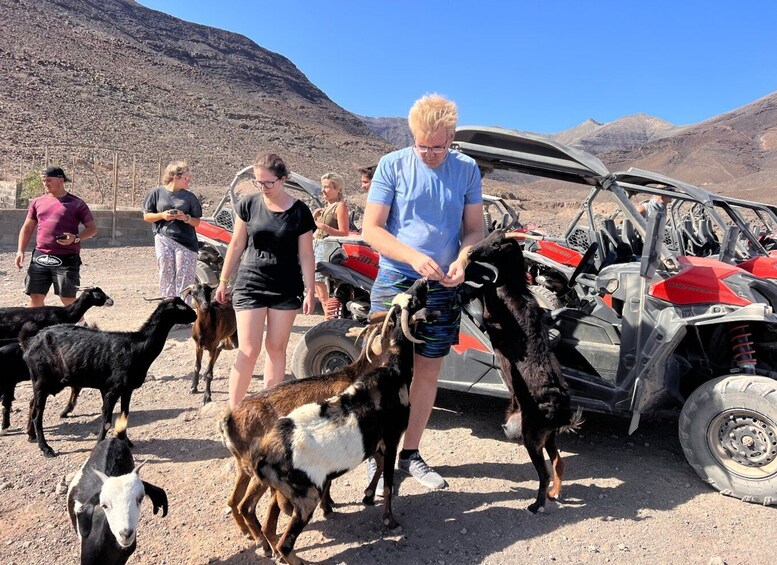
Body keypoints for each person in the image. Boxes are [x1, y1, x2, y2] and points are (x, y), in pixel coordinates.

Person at [362, 94, 483, 490]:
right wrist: (413, 258)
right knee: (384, 371)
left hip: (444, 285)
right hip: (397, 279)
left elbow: (474, 230)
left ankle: (410, 452)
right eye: (422, 145)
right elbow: (373, 230)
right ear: (412, 136)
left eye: (439, 146)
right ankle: (379, 456)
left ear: (451, 138)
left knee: (428, 371)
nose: (430, 153)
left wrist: (463, 261)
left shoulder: (466, 169)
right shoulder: (391, 165)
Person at [214, 153, 315, 408]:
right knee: (248, 349)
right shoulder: (248, 204)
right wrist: (224, 280)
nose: (263, 188)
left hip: (286, 287)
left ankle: (271, 412)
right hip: (251, 283)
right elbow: (237, 244)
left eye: (268, 183)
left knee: (275, 348)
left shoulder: (300, 211)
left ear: (283, 180)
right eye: (258, 182)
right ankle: (234, 413)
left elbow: (306, 253)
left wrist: (311, 289)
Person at [15, 166, 97, 307]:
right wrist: (20, 251)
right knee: (35, 298)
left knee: (68, 300)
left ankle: (81, 328)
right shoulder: (37, 202)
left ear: (60, 180)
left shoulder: (76, 203)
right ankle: (35, 329)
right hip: (40, 257)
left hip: (66, 259)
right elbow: (27, 228)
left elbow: (92, 229)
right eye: (43, 181)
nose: (45, 184)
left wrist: (75, 238)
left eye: (48, 180)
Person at [142, 161, 202, 305]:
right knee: (166, 272)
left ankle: (183, 312)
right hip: (163, 237)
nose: (189, 180)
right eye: (186, 177)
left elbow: (197, 222)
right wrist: (162, 215)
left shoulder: (190, 197)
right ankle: (168, 310)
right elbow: (147, 216)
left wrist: (185, 218)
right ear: (175, 177)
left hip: (186, 241)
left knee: (184, 276)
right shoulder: (156, 193)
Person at [312, 172, 350, 311]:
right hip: (316, 248)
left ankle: (330, 320)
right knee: (318, 288)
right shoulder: (326, 208)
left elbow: (344, 232)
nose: (323, 190)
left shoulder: (340, 206)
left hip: (326, 251)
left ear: (337, 189)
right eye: (323, 187)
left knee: (324, 289)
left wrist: (324, 227)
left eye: (327, 187)